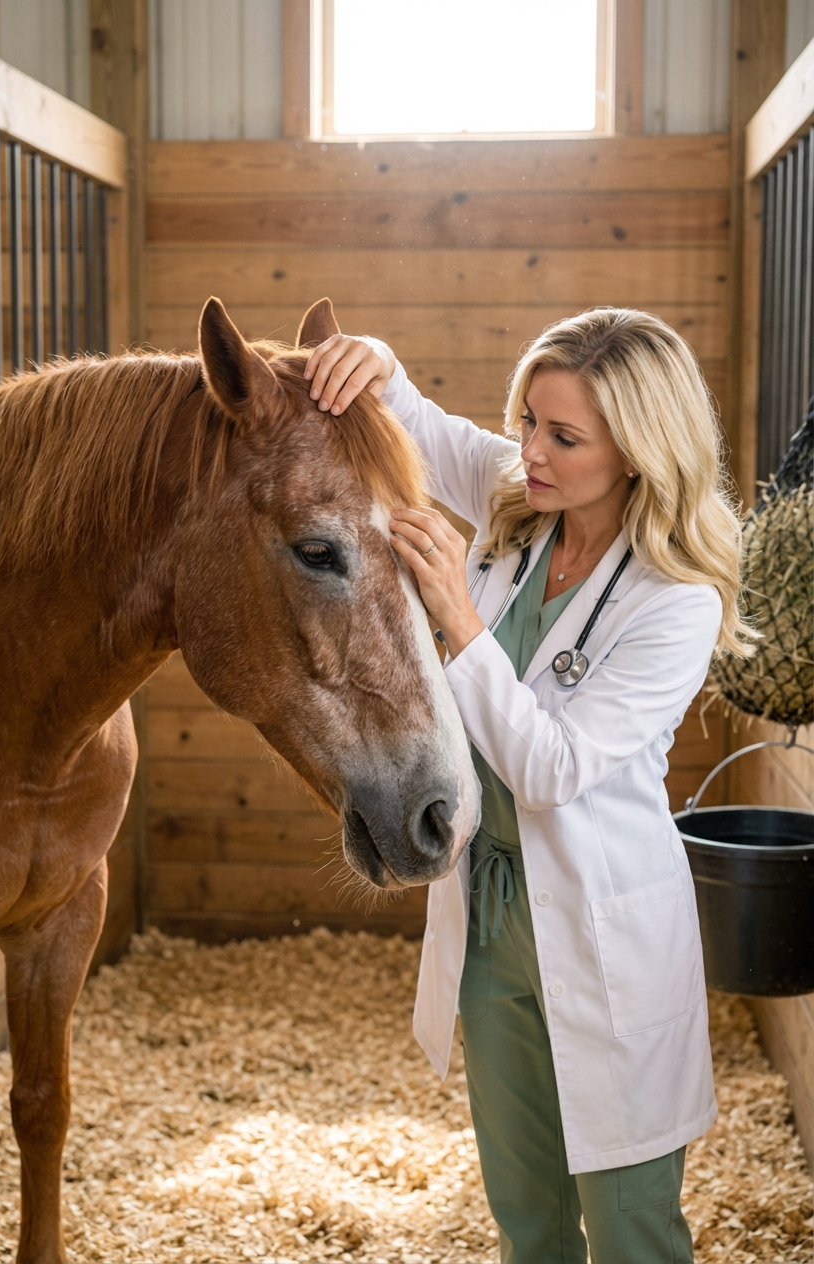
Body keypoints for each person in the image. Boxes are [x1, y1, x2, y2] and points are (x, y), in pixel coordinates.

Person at [303, 308, 752, 1264]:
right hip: (495, 916)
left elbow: (552, 772)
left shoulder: (675, 603)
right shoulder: (524, 509)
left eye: (562, 436)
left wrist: (461, 624)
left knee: (632, 1227)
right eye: (525, 423)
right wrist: (377, 359)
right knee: (527, 1215)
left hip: (602, 932)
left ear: (635, 450)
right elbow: (418, 420)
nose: (529, 453)